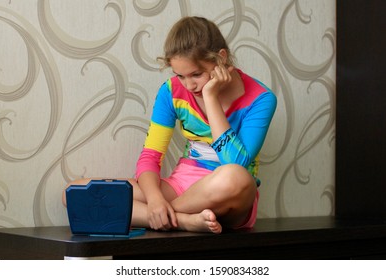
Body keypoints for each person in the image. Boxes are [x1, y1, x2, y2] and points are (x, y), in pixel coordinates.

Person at [63, 16, 276, 234]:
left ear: (221, 58)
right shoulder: (171, 91)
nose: (189, 85)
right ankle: (183, 220)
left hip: (229, 195)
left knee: (235, 176)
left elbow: (236, 162)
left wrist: (211, 97)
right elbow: (150, 157)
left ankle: (160, 216)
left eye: (196, 74)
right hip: (182, 187)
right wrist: (155, 200)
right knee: (75, 192)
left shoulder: (261, 98)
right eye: (180, 76)